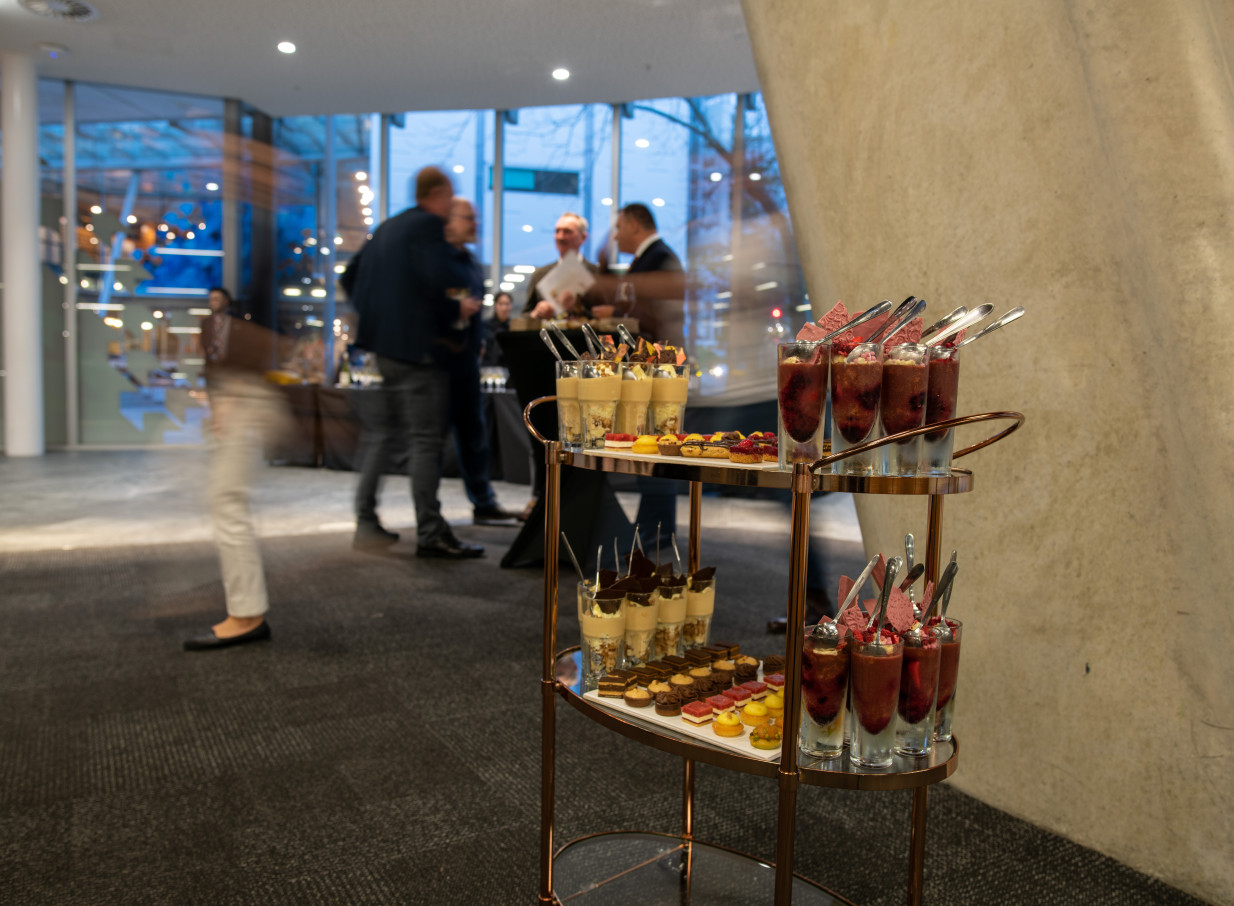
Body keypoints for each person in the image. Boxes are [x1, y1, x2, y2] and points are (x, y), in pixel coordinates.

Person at [344, 166, 484, 559]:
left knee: (382, 434)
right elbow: (434, 283)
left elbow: (349, 276)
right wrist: (453, 309)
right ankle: (430, 532)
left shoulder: (388, 227)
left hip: (384, 350)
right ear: (437, 194)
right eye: (450, 197)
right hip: (419, 352)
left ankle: (366, 521)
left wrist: (378, 319)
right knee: (426, 440)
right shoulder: (427, 226)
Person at [184, 286, 286, 650]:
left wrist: (232, 393)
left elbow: (261, 348)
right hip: (236, 395)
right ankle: (245, 612)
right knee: (226, 502)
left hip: (244, 398)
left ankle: (246, 616)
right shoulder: (208, 326)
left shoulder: (244, 321)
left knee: (228, 502)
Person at [443, 197, 523, 525]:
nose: (475, 224)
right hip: (439, 364)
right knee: (432, 441)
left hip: (467, 366)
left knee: (474, 436)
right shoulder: (438, 262)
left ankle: (484, 502)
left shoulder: (470, 264)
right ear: (449, 221)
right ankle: (431, 521)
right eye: (467, 218)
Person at [606, 202, 686, 345]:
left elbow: (657, 314)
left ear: (633, 226)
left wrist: (613, 314)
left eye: (619, 228)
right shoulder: (650, 256)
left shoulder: (661, 257)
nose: (615, 237)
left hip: (661, 356)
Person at [524, 212, 608, 318]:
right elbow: (524, 315)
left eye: (567, 231)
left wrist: (578, 308)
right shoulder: (539, 275)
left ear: (583, 237)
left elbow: (608, 317)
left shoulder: (598, 274)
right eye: (557, 231)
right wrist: (536, 313)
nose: (560, 236)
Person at [481, 291, 513, 368]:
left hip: (508, 369)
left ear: (511, 306)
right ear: (495, 305)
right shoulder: (484, 325)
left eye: (507, 304)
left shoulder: (513, 327)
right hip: (487, 368)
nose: (504, 308)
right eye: (501, 304)